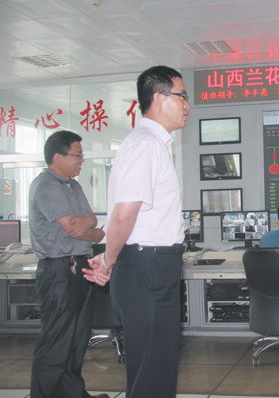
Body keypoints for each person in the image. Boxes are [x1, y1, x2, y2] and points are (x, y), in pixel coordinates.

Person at [83, 65, 190, 398]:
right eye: (182, 96)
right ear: (158, 98)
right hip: (147, 266)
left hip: (152, 264)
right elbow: (123, 215)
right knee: (151, 366)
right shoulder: (145, 144)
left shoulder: (154, 144)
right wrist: (108, 260)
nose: (187, 104)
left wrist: (110, 257)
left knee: (158, 361)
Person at [28, 130, 108, 398]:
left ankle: (73, 394)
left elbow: (92, 220)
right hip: (58, 271)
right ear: (58, 156)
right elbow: (74, 228)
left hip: (80, 265)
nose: (82, 160)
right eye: (78, 155)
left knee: (77, 339)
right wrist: (93, 230)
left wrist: (90, 226)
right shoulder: (46, 186)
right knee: (57, 341)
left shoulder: (73, 186)